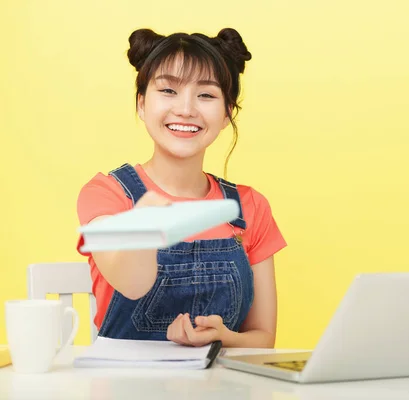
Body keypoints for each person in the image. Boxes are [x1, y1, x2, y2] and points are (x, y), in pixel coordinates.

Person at [76, 28, 286, 348]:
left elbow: (262, 338)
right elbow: (132, 284)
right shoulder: (107, 194)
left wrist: (223, 338)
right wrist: (144, 223)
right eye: (169, 91)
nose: (186, 109)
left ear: (227, 112)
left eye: (206, 94)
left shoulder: (249, 206)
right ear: (142, 104)